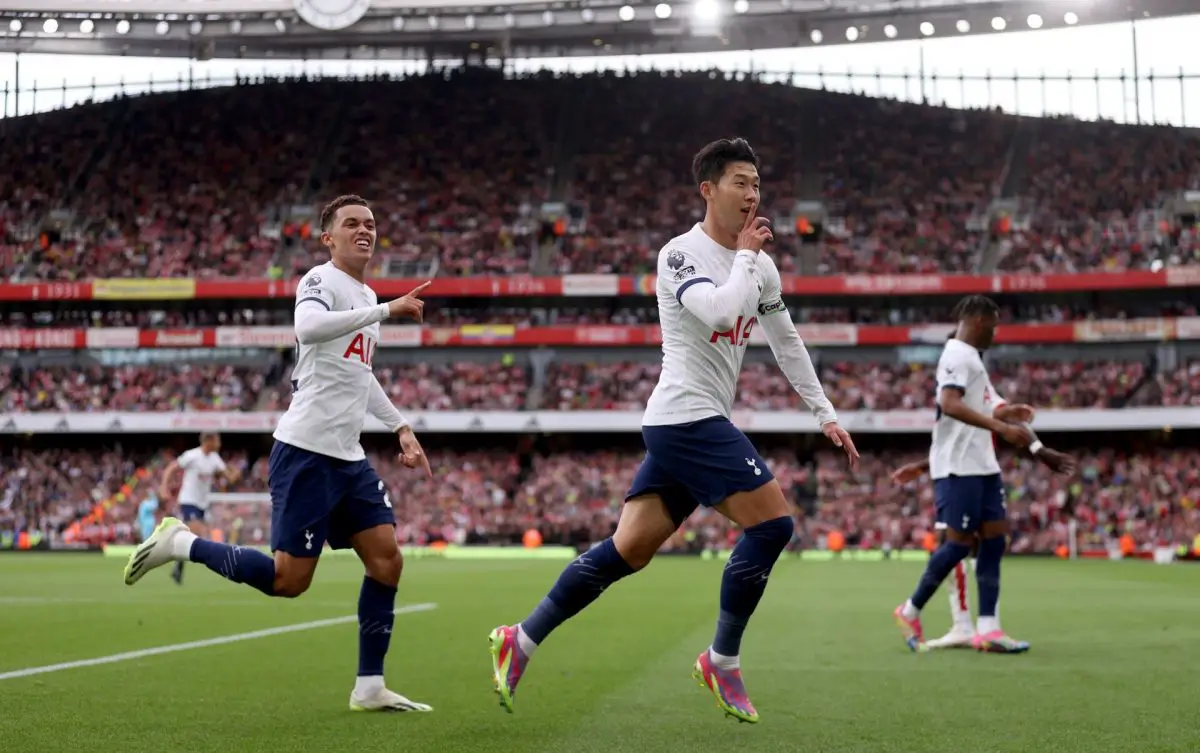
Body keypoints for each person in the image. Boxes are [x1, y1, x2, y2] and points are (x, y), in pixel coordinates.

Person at [487, 138, 859, 725]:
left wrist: (825, 413)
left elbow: (786, 341)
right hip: (684, 417)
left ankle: (522, 638)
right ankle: (722, 659)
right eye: (741, 182)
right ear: (708, 189)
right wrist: (743, 256)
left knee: (627, 551)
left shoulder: (759, 265)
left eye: (758, 183)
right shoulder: (680, 254)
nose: (753, 194)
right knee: (774, 525)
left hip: (693, 421)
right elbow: (719, 312)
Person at [123, 195, 435, 712]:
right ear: (327, 237)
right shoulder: (319, 280)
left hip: (348, 457)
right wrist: (386, 309)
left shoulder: (366, 294)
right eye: (352, 223)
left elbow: (361, 374)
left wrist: (400, 425)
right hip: (306, 451)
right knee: (289, 581)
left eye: (371, 224)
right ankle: (181, 543)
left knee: (386, 561)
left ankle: (369, 685)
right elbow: (307, 329)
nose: (364, 230)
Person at [892, 295, 1069, 654]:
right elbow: (950, 404)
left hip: (982, 465)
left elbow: (998, 409)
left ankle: (988, 629)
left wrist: (1038, 448)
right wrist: (999, 427)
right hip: (957, 468)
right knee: (958, 544)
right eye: (993, 324)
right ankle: (910, 609)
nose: (996, 331)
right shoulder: (956, 354)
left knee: (994, 540)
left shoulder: (974, 360)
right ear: (977, 319)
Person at [890, 426, 1075, 650]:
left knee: (985, 542)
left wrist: (1037, 447)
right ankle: (959, 624)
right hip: (953, 477)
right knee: (954, 543)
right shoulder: (957, 398)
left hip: (978, 474)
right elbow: (954, 437)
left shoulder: (981, 400)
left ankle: (981, 626)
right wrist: (1038, 448)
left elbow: (1001, 421)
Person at [158, 432, 240, 584]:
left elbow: (228, 478)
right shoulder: (192, 456)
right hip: (188, 500)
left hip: (203, 503)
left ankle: (178, 563)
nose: (219, 444)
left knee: (193, 536)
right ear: (208, 441)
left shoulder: (215, 459)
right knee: (198, 532)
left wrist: (234, 472)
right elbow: (171, 468)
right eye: (217, 440)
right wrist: (164, 487)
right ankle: (215, 566)